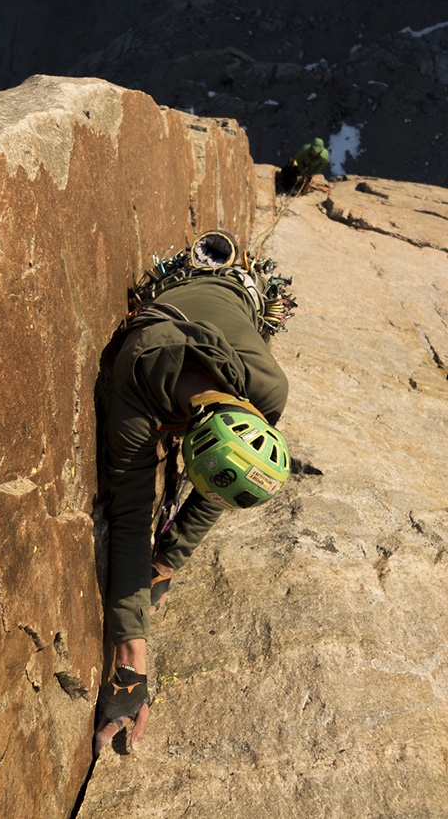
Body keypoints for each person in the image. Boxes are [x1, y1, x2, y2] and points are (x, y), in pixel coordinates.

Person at [94, 235, 292, 755]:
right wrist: (130, 661)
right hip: (175, 297)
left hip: (236, 293)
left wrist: (171, 561)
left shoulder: (266, 390)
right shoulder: (134, 405)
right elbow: (132, 522)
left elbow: (222, 484)